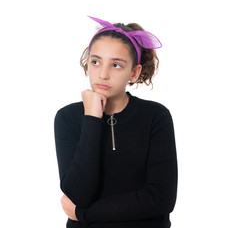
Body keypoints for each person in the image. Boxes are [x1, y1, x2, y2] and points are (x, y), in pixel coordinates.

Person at [54, 16, 178, 228]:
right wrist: (92, 118)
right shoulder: (68, 118)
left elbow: (161, 198)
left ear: (134, 72)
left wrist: (85, 215)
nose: (103, 74)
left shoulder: (156, 116)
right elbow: (78, 194)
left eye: (116, 65)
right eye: (96, 62)